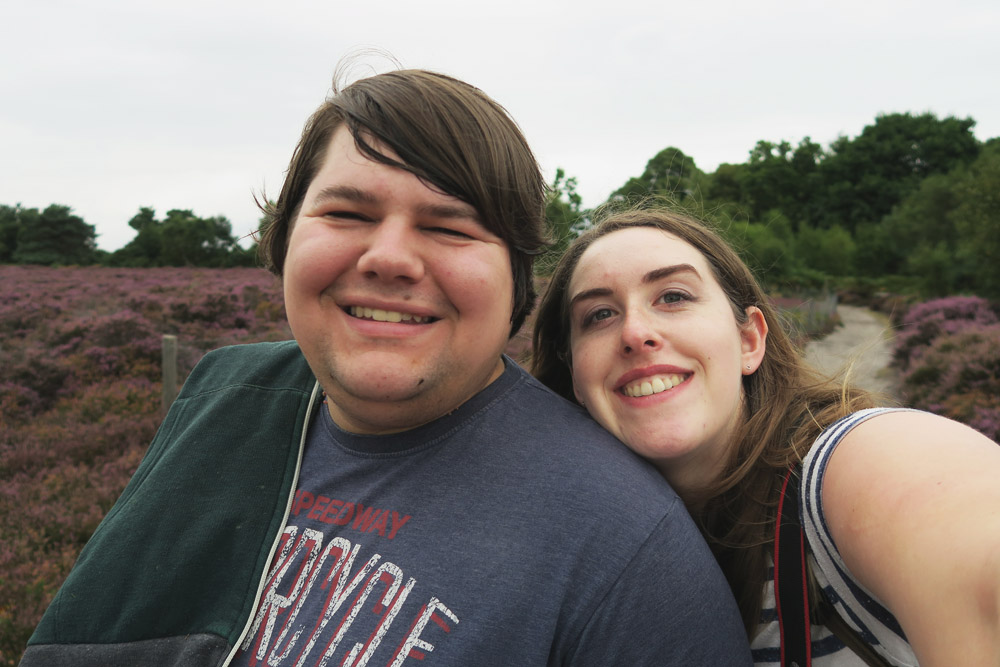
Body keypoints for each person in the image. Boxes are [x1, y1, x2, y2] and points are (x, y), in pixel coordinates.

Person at [20, 71, 752, 666]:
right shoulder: (224, 397)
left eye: (448, 227)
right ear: (285, 235)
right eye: (345, 213)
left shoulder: (626, 547)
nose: (390, 258)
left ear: (516, 284)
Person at [532, 205, 1000, 666]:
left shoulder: (851, 465)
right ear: (575, 375)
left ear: (750, 341)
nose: (635, 332)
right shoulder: (578, 539)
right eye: (598, 315)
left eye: (673, 296)